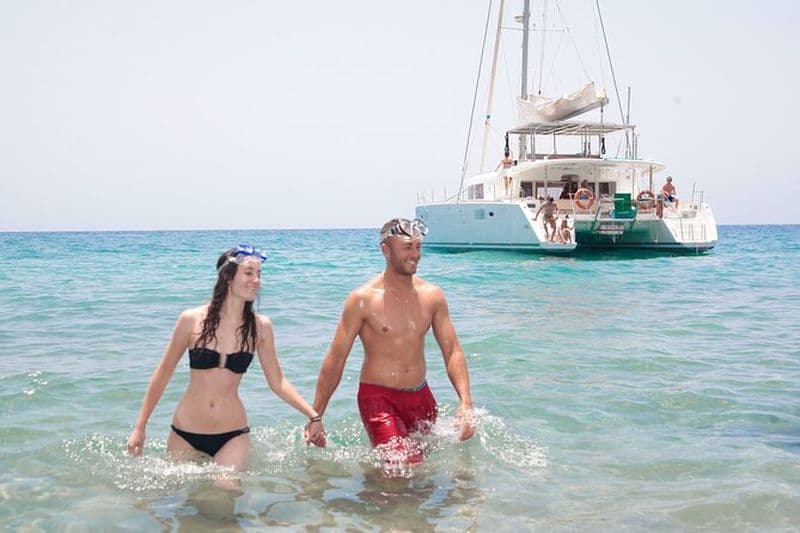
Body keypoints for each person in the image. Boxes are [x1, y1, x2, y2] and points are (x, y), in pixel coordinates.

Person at [127, 244, 323, 473]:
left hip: (232, 434)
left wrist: (313, 415)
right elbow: (162, 374)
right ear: (228, 277)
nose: (256, 280)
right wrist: (140, 427)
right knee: (179, 504)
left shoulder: (261, 327)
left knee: (225, 494)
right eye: (249, 273)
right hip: (185, 432)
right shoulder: (191, 320)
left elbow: (277, 382)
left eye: (259, 274)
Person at [305, 218, 475, 466]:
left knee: (419, 477)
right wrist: (315, 415)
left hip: (422, 398)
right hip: (379, 399)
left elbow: (452, 351)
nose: (415, 254)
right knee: (402, 467)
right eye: (407, 247)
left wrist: (465, 401)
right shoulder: (362, 300)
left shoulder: (432, 296)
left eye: (418, 246)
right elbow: (336, 358)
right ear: (386, 250)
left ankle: (374, 493)